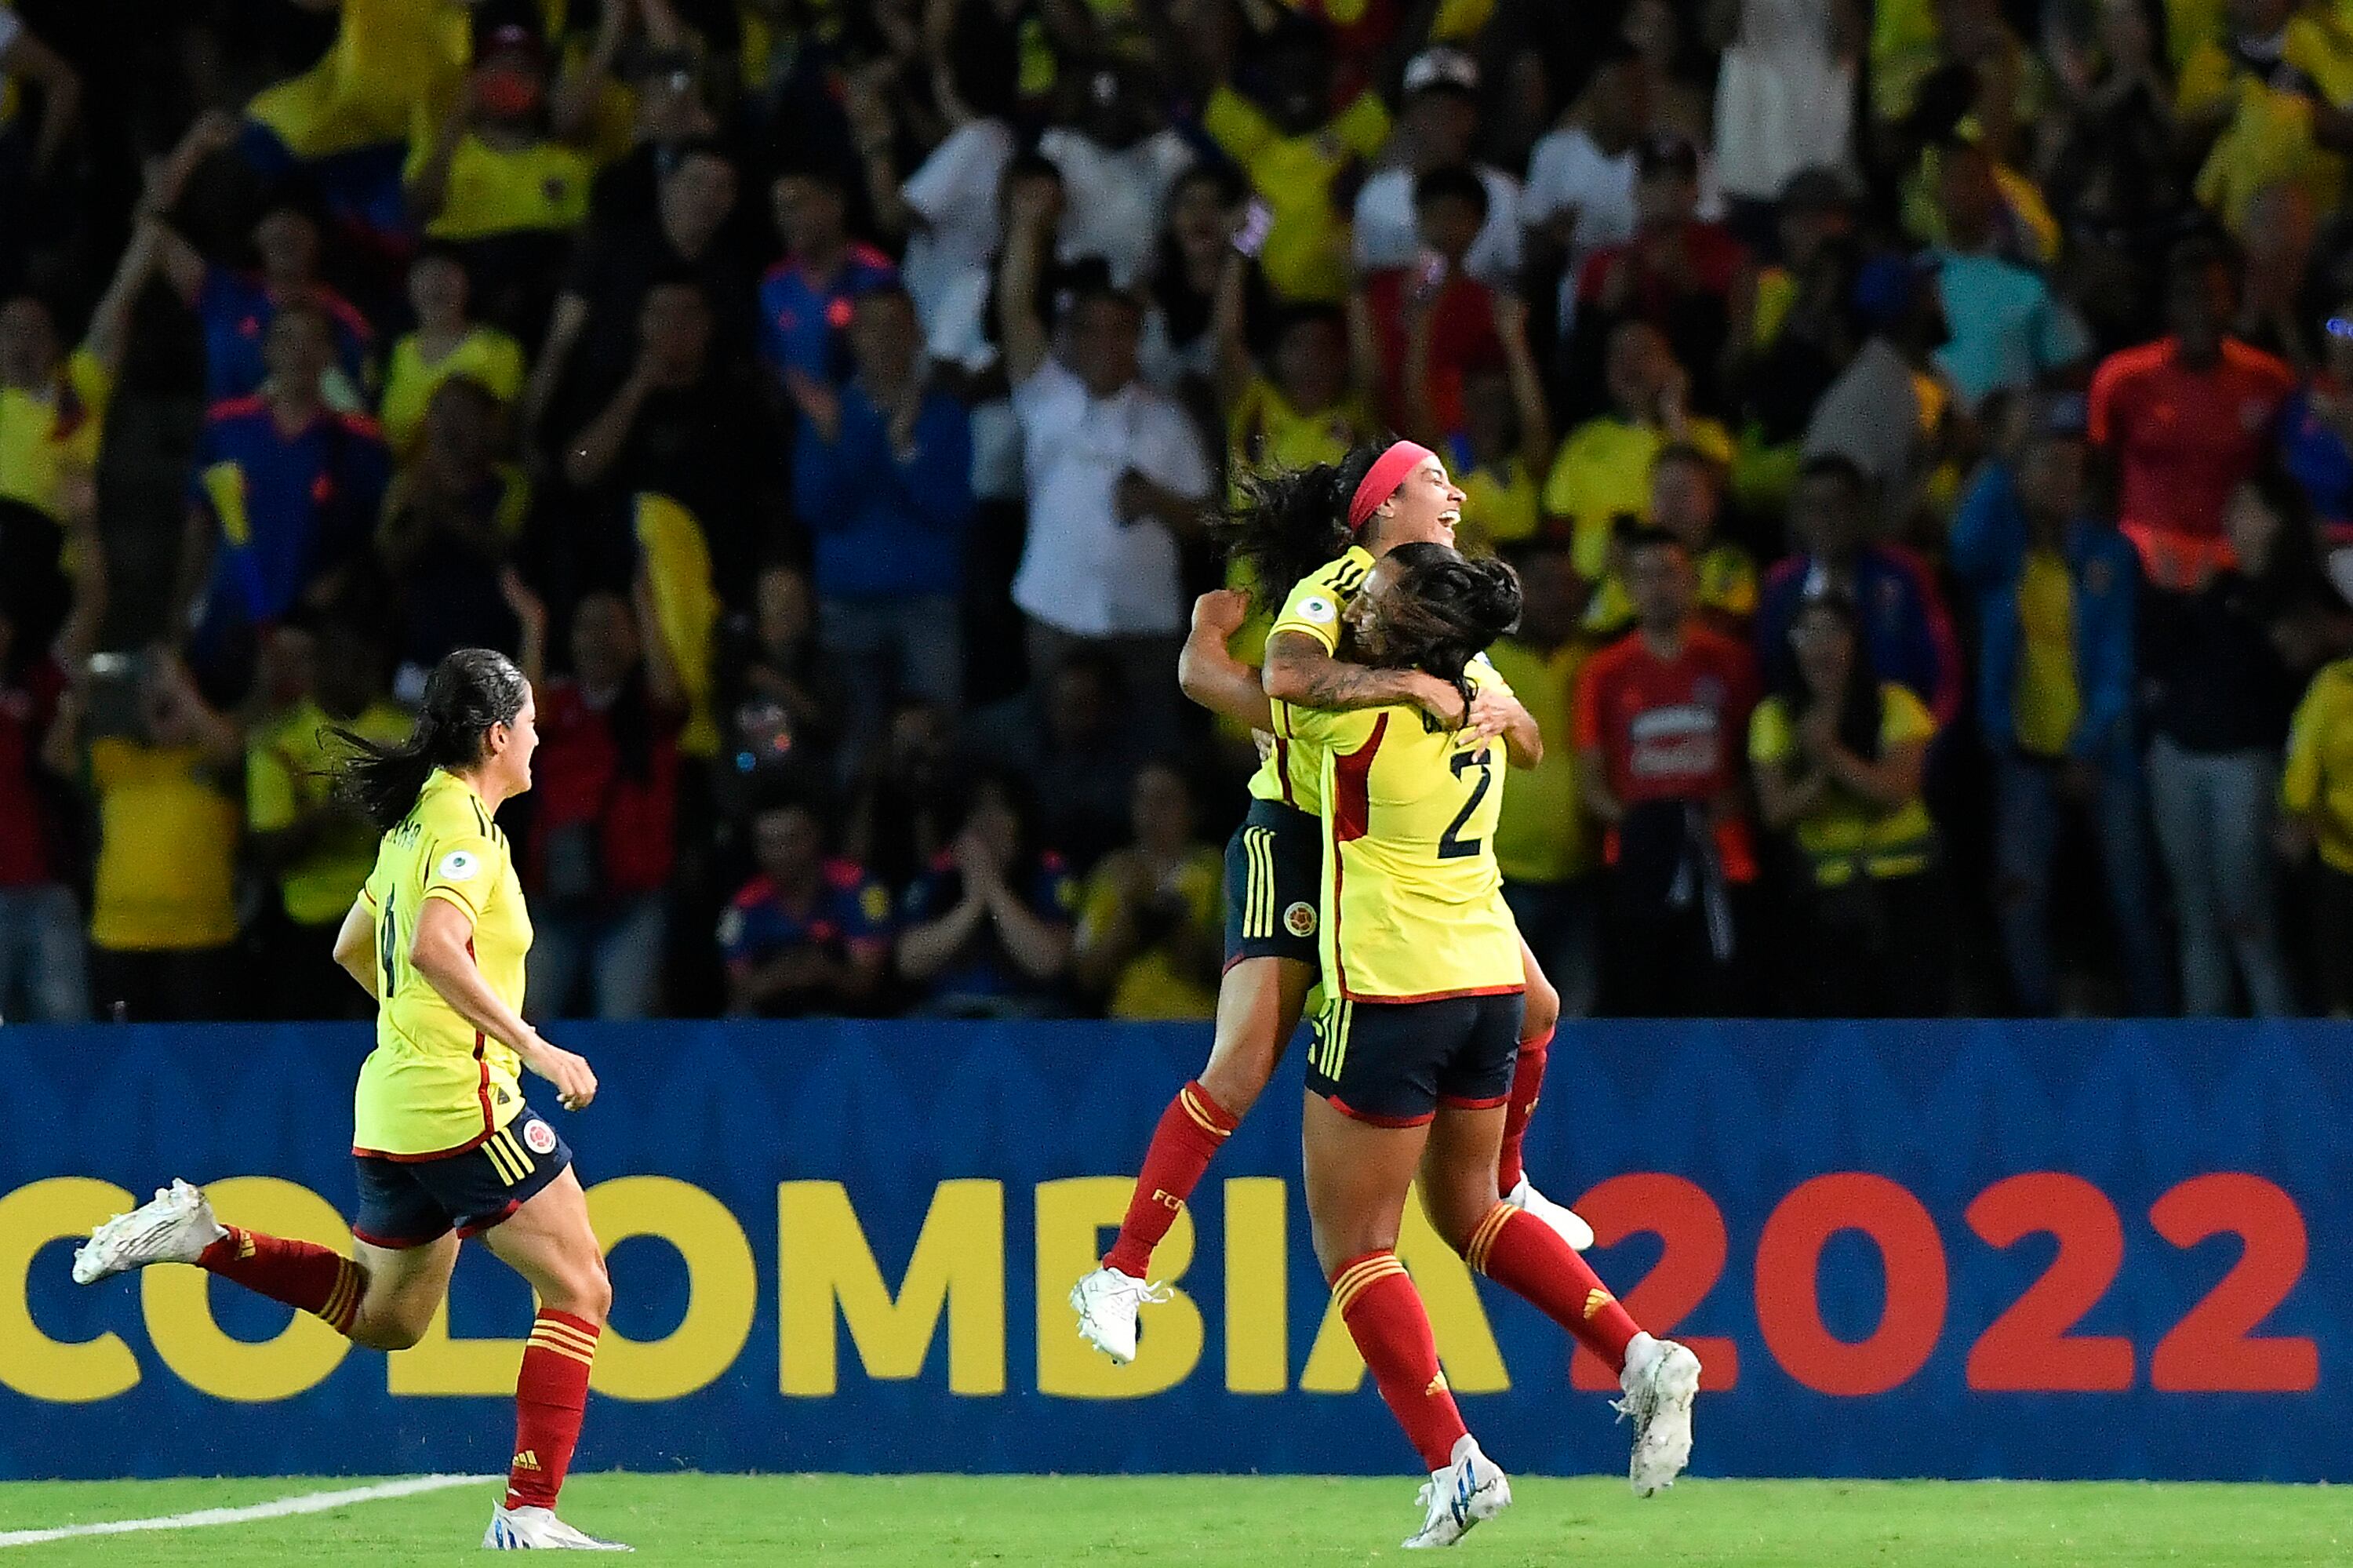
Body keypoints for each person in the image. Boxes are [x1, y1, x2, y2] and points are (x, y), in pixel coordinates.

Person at [71, 647, 627, 1552]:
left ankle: (206, 1238)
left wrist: (418, 1030)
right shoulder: (462, 830)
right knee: (580, 1286)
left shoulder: (414, 824)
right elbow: (434, 949)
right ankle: (528, 1512)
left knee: (387, 1321)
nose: (537, 734)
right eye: (527, 721)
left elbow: (351, 946)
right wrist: (530, 1045)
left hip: (396, 1109)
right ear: (496, 735)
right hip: (465, 1106)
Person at [1069, 441, 1589, 1371]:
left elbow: (1529, 737)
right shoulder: (1340, 583)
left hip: (1393, 857)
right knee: (1242, 1061)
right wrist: (1405, 684)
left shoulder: (1441, 593)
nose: (1458, 492)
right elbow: (1285, 679)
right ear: (1386, 507)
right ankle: (1121, 1268)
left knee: (1541, 1007)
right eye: (1435, 480)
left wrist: (1511, 718)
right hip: (1301, 836)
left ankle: (1509, 1183)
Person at [1280, 543, 1700, 1544]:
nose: (1358, 606)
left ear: (1410, 631)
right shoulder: (1483, 693)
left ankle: (1455, 1463)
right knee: (1469, 1209)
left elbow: (1268, 686)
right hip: (1490, 987)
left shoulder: (1363, 719)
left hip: (1390, 989)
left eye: (1375, 599)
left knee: (1357, 1249)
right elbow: (1532, 740)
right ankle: (1640, 1354)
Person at [1949, 404, 2168, 1016]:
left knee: (2131, 898)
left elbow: (2116, 666)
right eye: (2044, 465)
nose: (2058, 480)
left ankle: (2158, 1025)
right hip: (2022, 755)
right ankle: (2038, 1028)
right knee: (2019, 899)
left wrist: (2086, 750)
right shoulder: (2002, 554)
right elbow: (1961, 544)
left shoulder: (2110, 554)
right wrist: (1999, 460)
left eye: (2070, 468)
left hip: (2104, 756)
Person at [998, 180, 1211, 746]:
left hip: (1143, 625)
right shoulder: (1049, 400)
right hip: (1056, 612)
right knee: (1050, 751)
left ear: (1137, 340)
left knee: (1145, 753)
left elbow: (1204, 521)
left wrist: (1156, 502)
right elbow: (1015, 309)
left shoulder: (1169, 422)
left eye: (1120, 332)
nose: (1105, 344)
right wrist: (1026, 227)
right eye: (1091, 331)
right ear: (1071, 337)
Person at [2140, 471, 2335, 1016]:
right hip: (2178, 758)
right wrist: (2166, 598)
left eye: (2246, 505)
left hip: (2245, 770)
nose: (2231, 515)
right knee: (2197, 921)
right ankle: (2206, 1069)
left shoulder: (2300, 598)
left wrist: (2200, 606)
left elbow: (2260, 677)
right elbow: (2160, 658)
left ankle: (2282, 1075)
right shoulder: (2220, 585)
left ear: (2278, 522)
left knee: (2250, 926)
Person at [1577, 528, 1762, 1016]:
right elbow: (1590, 781)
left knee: (1722, 1004)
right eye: (1644, 575)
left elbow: (1758, 760)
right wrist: (1647, 830)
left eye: (1670, 574)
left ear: (1693, 581)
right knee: (1644, 1003)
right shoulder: (1603, 672)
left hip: (1724, 861)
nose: (1658, 587)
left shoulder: (1732, 662)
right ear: (1628, 587)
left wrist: (1713, 816)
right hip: (1637, 866)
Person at [177, 299, 394, 701]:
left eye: (312, 342)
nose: (299, 353)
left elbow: (365, 542)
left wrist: (312, 613)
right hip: (230, 615)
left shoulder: (358, 443)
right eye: (287, 340)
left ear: (330, 354)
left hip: (309, 629)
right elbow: (201, 521)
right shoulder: (227, 425)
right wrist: (186, 603)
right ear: (267, 350)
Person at [787, 282, 975, 740]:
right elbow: (818, 509)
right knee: (854, 738)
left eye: (896, 326)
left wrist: (905, 451)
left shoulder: (946, 416)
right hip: (847, 600)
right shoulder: (830, 412)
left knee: (934, 738)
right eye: (871, 327)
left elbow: (951, 510)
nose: (884, 338)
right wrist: (837, 443)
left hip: (926, 601)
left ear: (917, 335)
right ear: (853, 337)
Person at [1750, 592, 1947, 1017]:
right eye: (1808, 634)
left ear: (1853, 642)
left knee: (1911, 1015)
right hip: (1825, 893)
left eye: (1833, 632)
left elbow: (1897, 790)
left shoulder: (1896, 703)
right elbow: (1777, 812)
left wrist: (1830, 752)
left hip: (1905, 883)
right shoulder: (1773, 716)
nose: (1822, 646)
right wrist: (1823, 765)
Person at [2088, 243, 2296, 592]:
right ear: (2169, 305)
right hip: (2141, 562)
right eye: (2188, 296)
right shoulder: (2121, 377)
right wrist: (2102, 553)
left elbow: (2283, 478)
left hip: (2233, 566)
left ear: (2232, 303)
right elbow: (2098, 477)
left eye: (2214, 295)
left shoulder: (2269, 380)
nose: (2201, 309)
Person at [56, 646, 245, 1020]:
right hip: (120, 939)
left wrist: (178, 686)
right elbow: (56, 757)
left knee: (198, 1067)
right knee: (123, 1064)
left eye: (171, 699)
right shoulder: (114, 756)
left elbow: (230, 751)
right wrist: (76, 698)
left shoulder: (214, 759)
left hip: (201, 939)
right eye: (150, 697)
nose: (161, 704)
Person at [245, 620, 411, 1020]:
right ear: (319, 668)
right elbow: (268, 853)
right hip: (309, 925)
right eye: (343, 662)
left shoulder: (407, 736)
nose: (356, 673)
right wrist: (330, 813)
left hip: (393, 923)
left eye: (364, 662)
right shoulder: (280, 743)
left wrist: (388, 803)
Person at [894, 771, 1076, 1017]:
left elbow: (1049, 963)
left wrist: (993, 887)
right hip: (947, 1013)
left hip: (1027, 1013)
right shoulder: (939, 874)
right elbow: (909, 963)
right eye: (977, 811)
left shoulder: (1049, 872)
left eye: (1000, 810)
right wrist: (972, 903)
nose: (988, 823)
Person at [1352, 48, 1522, 287]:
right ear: (1411, 115)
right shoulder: (1379, 196)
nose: (1446, 119)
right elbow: (1374, 288)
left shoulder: (1505, 192)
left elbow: (1514, 285)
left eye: (1457, 109)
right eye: (1433, 108)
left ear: (1473, 116)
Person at [1072, 762, 1224, 1020]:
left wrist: (1168, 916)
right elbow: (1088, 976)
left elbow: (1220, 969)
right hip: (1126, 1028)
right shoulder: (1113, 871)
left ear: (1194, 809)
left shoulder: (1217, 869)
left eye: (1165, 801)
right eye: (1142, 800)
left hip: (1197, 1026)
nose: (1150, 813)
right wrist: (1129, 912)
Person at [718, 797, 892, 1017]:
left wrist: (825, 970)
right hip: (772, 1021)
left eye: (792, 840)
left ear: (816, 835)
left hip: (846, 1019)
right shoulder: (742, 906)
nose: (781, 853)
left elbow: (867, 984)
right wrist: (784, 975)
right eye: (769, 843)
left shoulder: (860, 888)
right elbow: (740, 993)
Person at [376, 247, 526, 464]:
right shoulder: (400, 349)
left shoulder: (499, 348)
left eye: (446, 274)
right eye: (424, 275)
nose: (436, 286)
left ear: (468, 284)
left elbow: (502, 432)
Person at [2280, 647, 2353, 1014]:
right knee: (2339, 990)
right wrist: (2301, 812)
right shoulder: (2332, 685)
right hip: (2340, 862)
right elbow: (2303, 759)